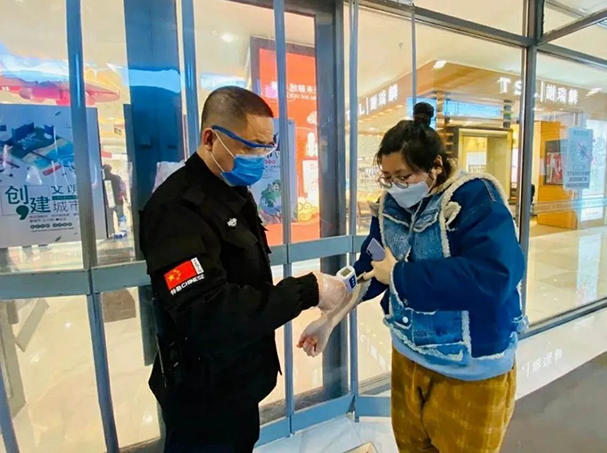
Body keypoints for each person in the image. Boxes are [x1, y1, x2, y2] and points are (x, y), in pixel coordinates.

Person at [299, 106, 526, 453]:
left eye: (403, 176)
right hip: (408, 355)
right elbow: (373, 267)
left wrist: (400, 275)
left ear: (435, 166)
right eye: (387, 177)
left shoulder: (477, 199)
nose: (395, 186)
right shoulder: (389, 207)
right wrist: (330, 318)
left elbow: (495, 276)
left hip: (470, 368)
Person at [140, 86, 348, 453]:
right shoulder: (176, 211)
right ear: (210, 138)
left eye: (267, 148)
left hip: (238, 381)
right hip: (203, 397)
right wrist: (307, 290)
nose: (260, 158)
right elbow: (208, 313)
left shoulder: (231, 192)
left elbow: (247, 277)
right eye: (251, 147)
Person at [103, 164, 128, 234]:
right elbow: (123, 189)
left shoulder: (102, 180)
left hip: (107, 202)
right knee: (121, 217)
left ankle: (111, 233)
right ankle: (123, 231)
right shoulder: (117, 178)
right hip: (118, 200)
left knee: (109, 219)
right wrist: (125, 198)